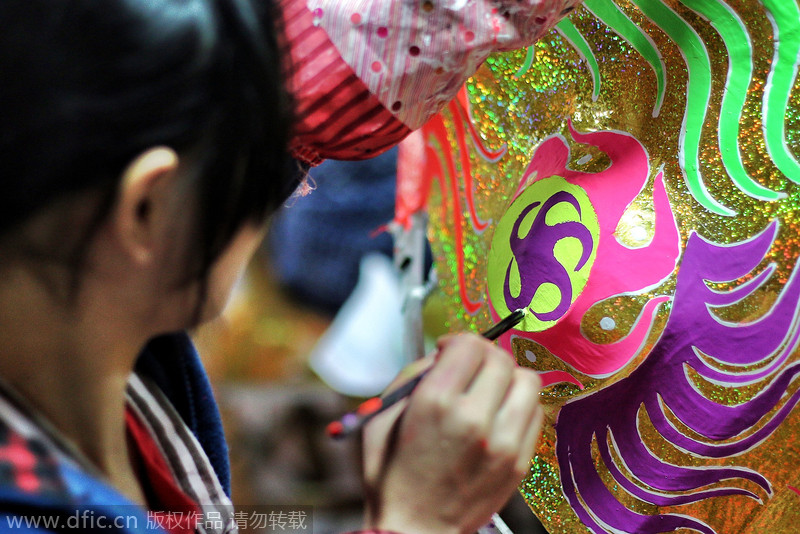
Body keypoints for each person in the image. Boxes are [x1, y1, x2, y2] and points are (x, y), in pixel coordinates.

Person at [0, 0, 576, 532]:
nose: (286, 188)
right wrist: (415, 519)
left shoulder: (95, 321)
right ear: (145, 209)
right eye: (268, 158)